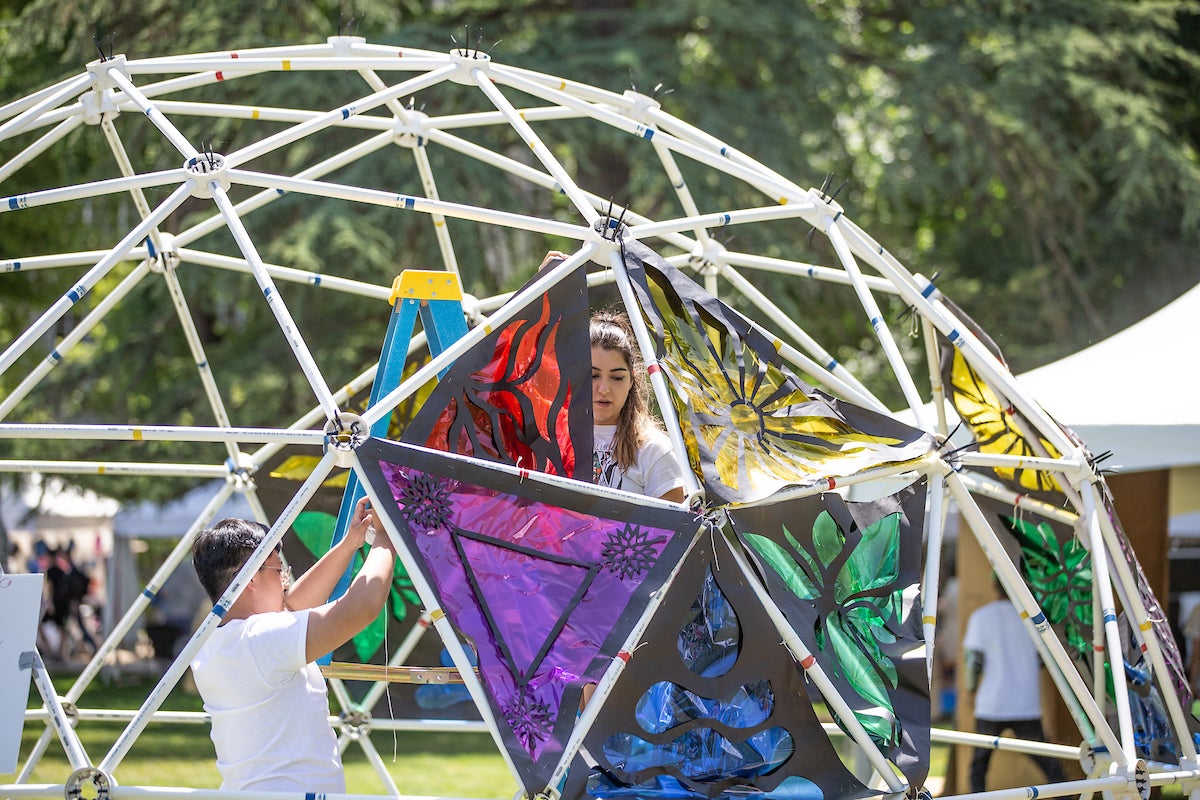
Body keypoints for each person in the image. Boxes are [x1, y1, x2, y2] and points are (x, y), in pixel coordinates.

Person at [190, 496, 396, 792]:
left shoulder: (220, 642)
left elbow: (294, 606)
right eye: (279, 572)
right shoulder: (259, 639)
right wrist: (386, 539)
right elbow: (361, 607)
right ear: (248, 579)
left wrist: (351, 542)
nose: (286, 581)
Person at [538, 250, 687, 504]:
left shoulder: (655, 450)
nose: (604, 389)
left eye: (616, 377)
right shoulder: (548, 434)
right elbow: (521, 366)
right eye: (593, 376)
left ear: (632, 380)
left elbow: (672, 537)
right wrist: (539, 294)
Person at [962, 575, 1067, 791]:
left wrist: (970, 690)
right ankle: (1067, 794)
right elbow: (1044, 658)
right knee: (1047, 762)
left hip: (992, 703)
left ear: (993, 586)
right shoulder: (1033, 619)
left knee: (979, 765)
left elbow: (974, 661)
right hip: (1025, 701)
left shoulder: (982, 617)